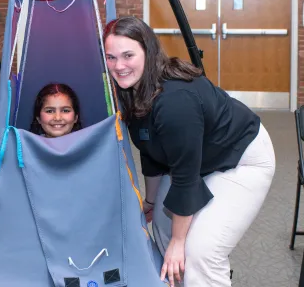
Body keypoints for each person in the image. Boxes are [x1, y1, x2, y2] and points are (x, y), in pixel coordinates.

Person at [103, 16, 275, 287]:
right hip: (194, 159)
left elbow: (185, 178)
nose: (119, 66)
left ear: (148, 51)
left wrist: (179, 241)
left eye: (127, 55)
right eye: (111, 58)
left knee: (199, 253)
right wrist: (150, 201)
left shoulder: (174, 101)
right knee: (160, 228)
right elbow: (150, 151)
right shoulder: (131, 90)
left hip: (239, 159)